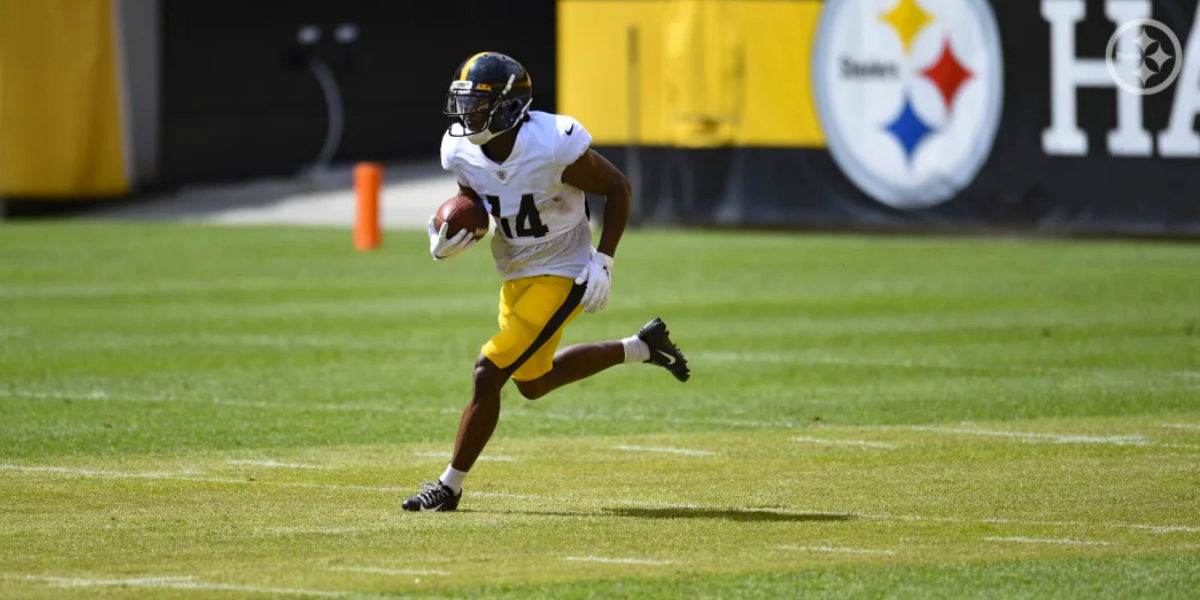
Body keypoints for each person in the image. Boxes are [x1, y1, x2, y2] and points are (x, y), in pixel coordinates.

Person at [402, 52, 690, 512]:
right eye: (464, 104)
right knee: (533, 382)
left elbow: (618, 187)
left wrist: (605, 260)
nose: (466, 115)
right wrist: (460, 228)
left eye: (478, 105)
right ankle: (642, 346)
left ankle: (448, 486)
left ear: (509, 106)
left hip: (564, 270)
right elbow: (474, 195)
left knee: (488, 369)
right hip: (516, 271)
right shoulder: (459, 149)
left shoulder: (552, 143)